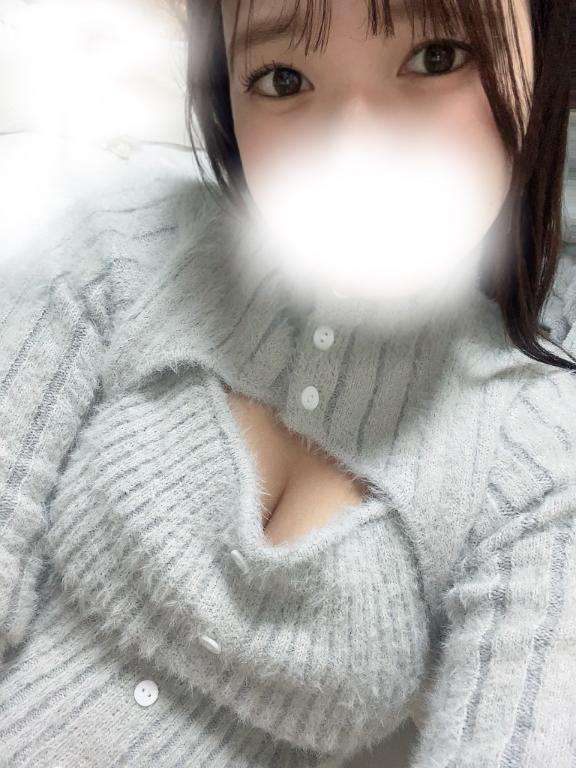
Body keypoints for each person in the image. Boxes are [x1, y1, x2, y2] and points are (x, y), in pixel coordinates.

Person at [0, 1, 575, 767]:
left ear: (544, 56)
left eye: (438, 57)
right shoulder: (120, 242)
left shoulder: (543, 457)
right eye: (281, 78)